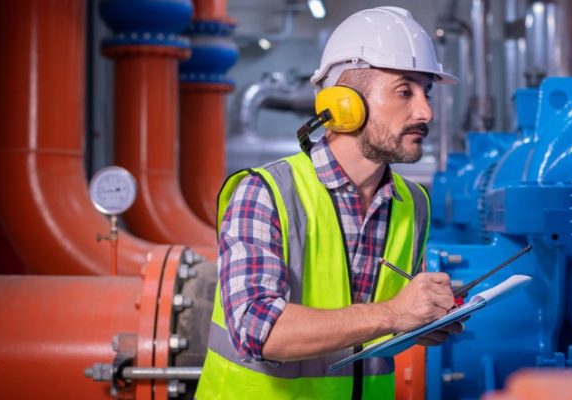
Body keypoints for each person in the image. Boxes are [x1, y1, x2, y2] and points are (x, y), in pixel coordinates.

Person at [196, 6, 462, 399]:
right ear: (343, 104)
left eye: (427, 92)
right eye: (405, 91)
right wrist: (394, 313)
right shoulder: (265, 193)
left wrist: (421, 320)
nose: (426, 111)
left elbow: (369, 328)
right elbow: (258, 330)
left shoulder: (413, 203)